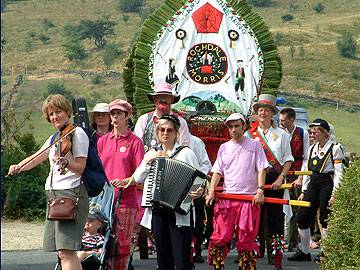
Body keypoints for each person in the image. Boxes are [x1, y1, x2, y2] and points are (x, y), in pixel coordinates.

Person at [7, 94, 89, 270]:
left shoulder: (78, 133)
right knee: (62, 252)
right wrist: (18, 167)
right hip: (55, 195)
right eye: (51, 114)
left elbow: (81, 167)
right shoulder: (55, 138)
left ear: (67, 112)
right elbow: (35, 158)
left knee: (67, 251)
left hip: (71, 194)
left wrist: (67, 162)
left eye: (58, 112)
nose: (54, 117)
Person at [127, 114, 204, 270]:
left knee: (182, 259)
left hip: (181, 213)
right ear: (157, 132)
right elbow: (138, 177)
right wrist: (150, 160)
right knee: (163, 259)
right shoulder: (151, 153)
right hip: (158, 211)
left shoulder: (186, 153)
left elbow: (199, 182)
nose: (165, 133)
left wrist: (199, 192)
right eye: (162, 130)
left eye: (169, 130)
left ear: (176, 133)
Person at [205, 112, 268, 270]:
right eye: (231, 126)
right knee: (221, 235)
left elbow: (262, 168)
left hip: (248, 199)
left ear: (244, 126)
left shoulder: (254, 145)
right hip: (227, 198)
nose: (233, 129)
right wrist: (211, 190)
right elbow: (218, 172)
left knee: (246, 239)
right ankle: (217, 267)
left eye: (236, 126)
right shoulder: (224, 148)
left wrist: (260, 190)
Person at [245, 94, 294, 270]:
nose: (263, 113)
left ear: (272, 113)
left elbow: (288, 159)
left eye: (266, 110)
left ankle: (276, 256)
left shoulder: (282, 135)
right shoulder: (248, 135)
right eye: (260, 110)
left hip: (274, 180)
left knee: (275, 218)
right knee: (254, 217)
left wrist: (282, 177)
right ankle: (253, 252)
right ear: (256, 113)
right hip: (254, 179)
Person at [97, 99, 145, 270]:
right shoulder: (103, 141)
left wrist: (126, 181)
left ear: (127, 116)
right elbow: (98, 170)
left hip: (126, 200)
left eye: (119, 113)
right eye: (113, 113)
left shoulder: (135, 142)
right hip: (104, 201)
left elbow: (141, 174)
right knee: (102, 244)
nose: (115, 117)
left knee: (122, 246)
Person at [288, 119, 345, 263]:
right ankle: (305, 251)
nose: (312, 134)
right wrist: (304, 190)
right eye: (311, 132)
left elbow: (339, 173)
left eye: (315, 132)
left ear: (325, 133)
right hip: (313, 182)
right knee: (302, 217)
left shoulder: (335, 148)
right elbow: (307, 170)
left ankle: (326, 253)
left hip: (327, 183)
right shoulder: (312, 148)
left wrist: (335, 193)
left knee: (324, 218)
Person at [279, 107, 310, 251]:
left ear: (291, 120)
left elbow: (306, 157)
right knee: (283, 207)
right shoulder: (279, 134)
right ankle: (283, 240)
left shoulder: (302, 133)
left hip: (296, 173)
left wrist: (300, 177)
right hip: (282, 174)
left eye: (283, 120)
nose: (281, 123)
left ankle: (294, 242)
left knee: (297, 209)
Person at [133, 81, 190, 152]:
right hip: (147, 160)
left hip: (173, 162)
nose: (163, 99)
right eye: (159, 96)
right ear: (154, 99)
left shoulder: (181, 122)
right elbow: (137, 146)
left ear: (172, 99)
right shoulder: (143, 120)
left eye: (166, 96)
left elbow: (184, 149)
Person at [189, 134, 212, 263]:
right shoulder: (164, 144)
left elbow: (205, 164)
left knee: (197, 219)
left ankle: (197, 250)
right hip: (174, 189)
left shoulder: (196, 142)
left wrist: (197, 178)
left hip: (195, 187)